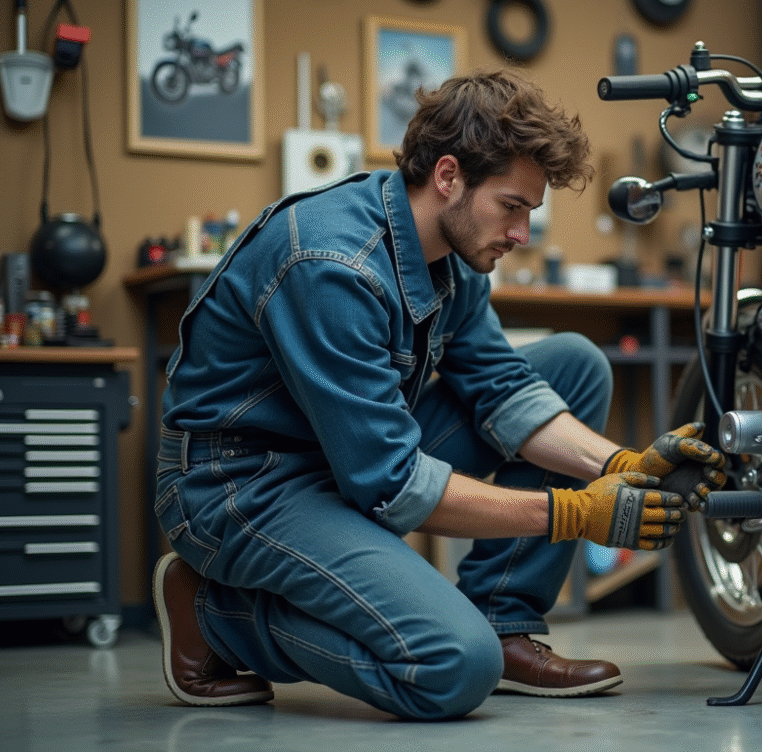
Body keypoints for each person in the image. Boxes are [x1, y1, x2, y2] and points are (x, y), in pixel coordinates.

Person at [151, 68, 726, 720]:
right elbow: (391, 485)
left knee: (572, 364)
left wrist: (621, 465)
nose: (520, 234)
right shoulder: (330, 267)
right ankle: (215, 613)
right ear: (448, 176)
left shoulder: (453, 253)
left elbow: (502, 389)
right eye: (511, 207)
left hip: (342, 457)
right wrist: (576, 513)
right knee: (454, 665)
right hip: (240, 486)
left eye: (529, 214)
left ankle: (503, 623)